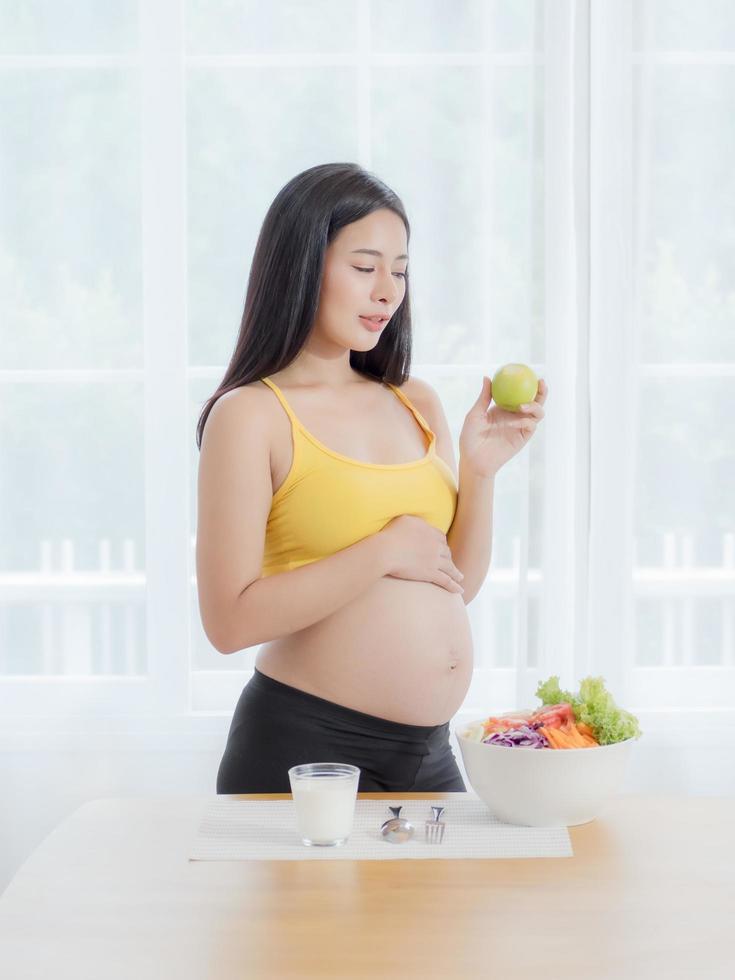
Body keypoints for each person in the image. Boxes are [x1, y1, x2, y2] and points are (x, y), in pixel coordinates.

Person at [195, 162, 546, 793]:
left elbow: (453, 584)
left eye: (401, 269)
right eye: (365, 267)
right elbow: (228, 622)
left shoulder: (416, 400)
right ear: (303, 266)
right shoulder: (250, 415)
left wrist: (480, 471)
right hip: (307, 748)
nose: (388, 290)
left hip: (429, 754)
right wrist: (381, 550)